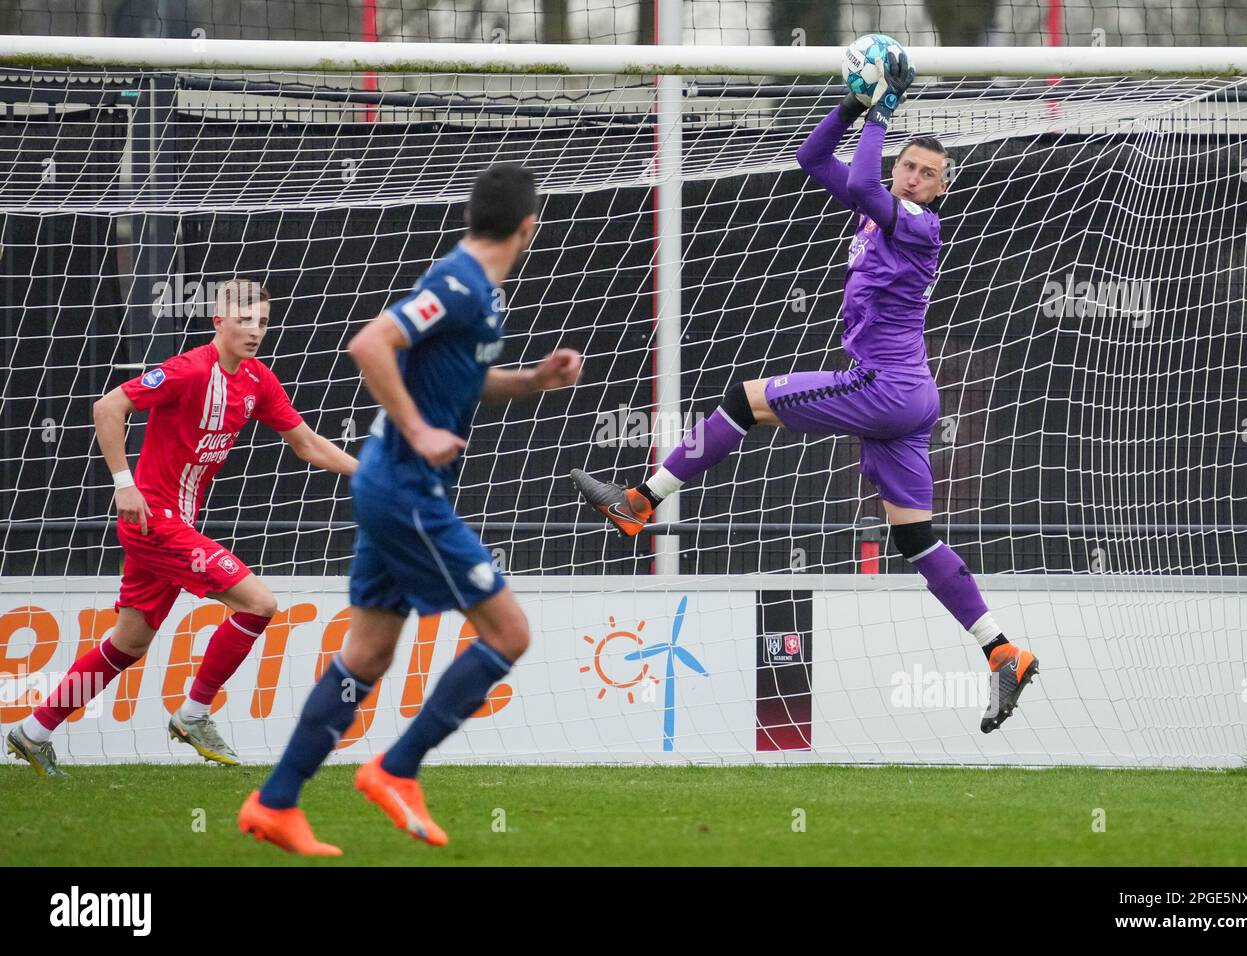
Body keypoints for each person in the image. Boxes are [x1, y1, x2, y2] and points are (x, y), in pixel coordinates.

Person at [572, 51, 1039, 735]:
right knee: (916, 540)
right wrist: (854, 107)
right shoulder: (876, 214)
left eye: (927, 173)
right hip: (909, 403)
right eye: (907, 164)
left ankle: (640, 503)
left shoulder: (919, 224)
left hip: (883, 388)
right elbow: (811, 156)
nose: (912, 176)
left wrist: (881, 115)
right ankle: (1002, 649)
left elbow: (864, 179)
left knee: (746, 399)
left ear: (940, 190)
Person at [239, 163, 582, 855]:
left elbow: (465, 380)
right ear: (528, 227)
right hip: (403, 487)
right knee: (508, 633)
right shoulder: (457, 283)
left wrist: (534, 380)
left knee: (366, 654)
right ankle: (396, 769)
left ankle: (275, 801)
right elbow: (370, 343)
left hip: (388, 483)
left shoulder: (481, 292)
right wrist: (419, 431)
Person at [6, 278, 358, 776]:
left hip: (175, 521)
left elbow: (306, 443)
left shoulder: (258, 380)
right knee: (260, 603)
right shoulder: (189, 369)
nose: (255, 331)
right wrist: (124, 483)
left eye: (262, 321)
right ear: (219, 321)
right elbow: (108, 406)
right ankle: (194, 713)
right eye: (244, 321)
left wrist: (369, 475)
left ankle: (33, 732)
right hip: (153, 520)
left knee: (129, 642)